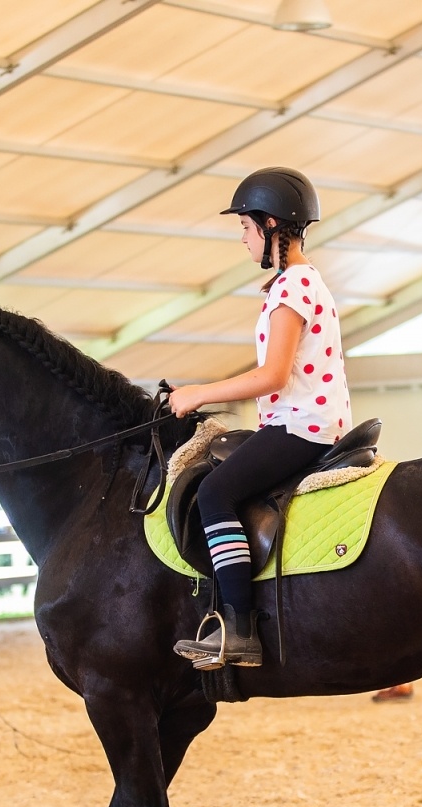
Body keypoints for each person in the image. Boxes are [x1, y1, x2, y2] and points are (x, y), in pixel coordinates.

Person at [169, 167, 351, 669]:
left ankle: (239, 626)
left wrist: (199, 393)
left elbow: (272, 377)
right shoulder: (296, 283)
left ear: (271, 226)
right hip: (303, 420)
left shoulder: (293, 288)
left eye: (246, 229)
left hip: (303, 426)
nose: (243, 240)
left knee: (214, 493)